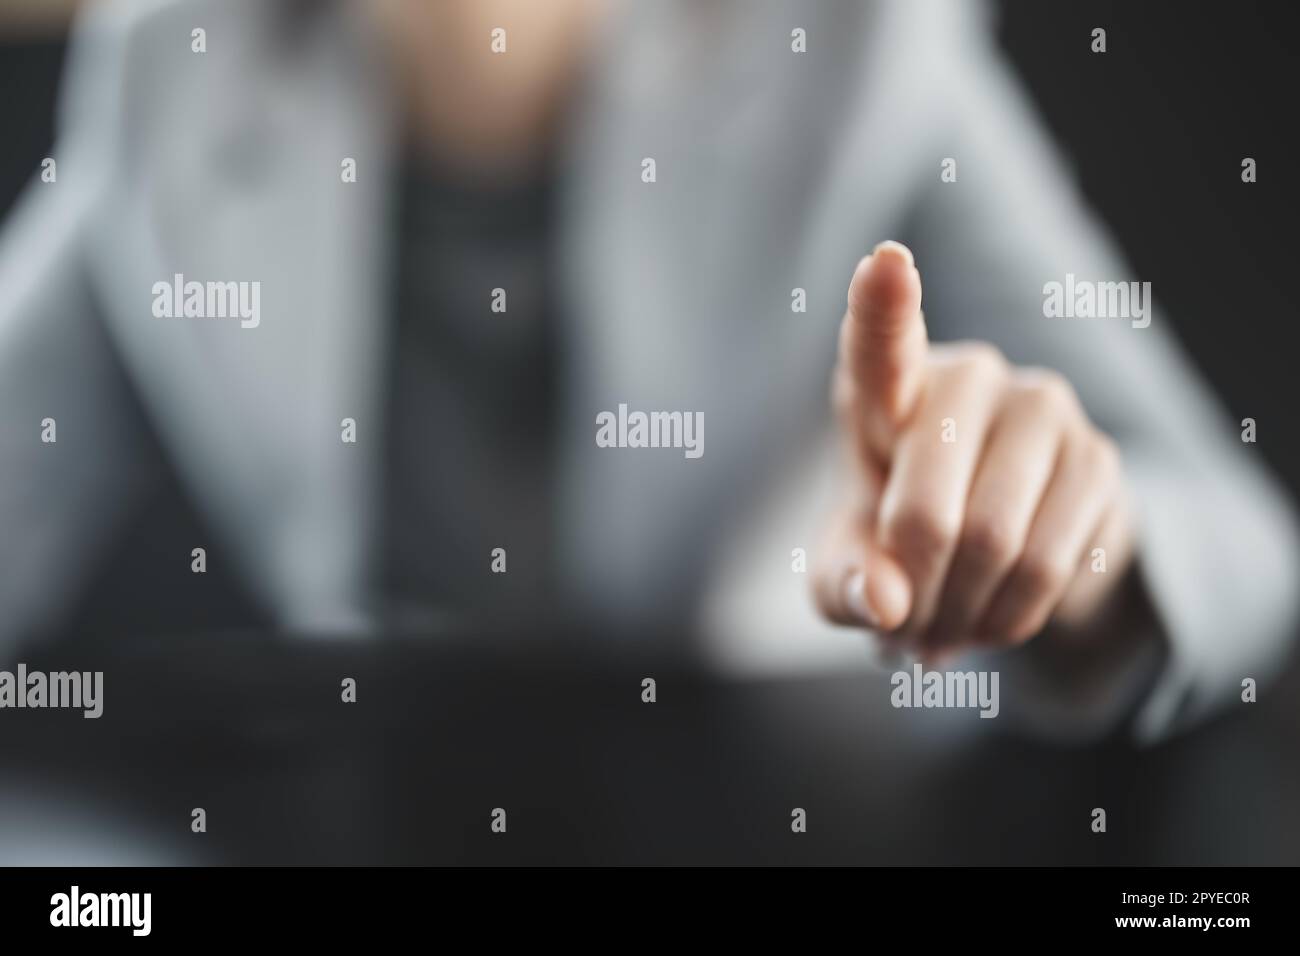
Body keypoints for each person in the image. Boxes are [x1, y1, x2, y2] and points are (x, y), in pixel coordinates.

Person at [0, 0, 1295, 744]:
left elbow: (1234, 540)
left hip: (753, 782)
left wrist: (1067, 554)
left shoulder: (852, 46)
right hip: (360, 795)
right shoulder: (172, 63)